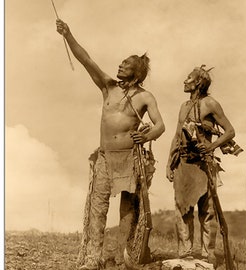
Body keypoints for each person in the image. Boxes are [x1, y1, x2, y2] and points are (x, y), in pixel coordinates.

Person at [56, 19, 165, 270]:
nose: (120, 65)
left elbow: (160, 125)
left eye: (126, 64)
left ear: (136, 72)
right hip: (105, 157)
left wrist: (146, 136)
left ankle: (122, 257)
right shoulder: (108, 87)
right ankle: (94, 258)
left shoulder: (145, 97)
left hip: (130, 159)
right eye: (121, 62)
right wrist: (68, 34)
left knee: (127, 209)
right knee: (98, 206)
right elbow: (87, 60)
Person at [166, 65, 236, 265]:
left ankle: (208, 254)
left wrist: (212, 146)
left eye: (188, 78)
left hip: (203, 165)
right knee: (182, 209)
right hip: (183, 163)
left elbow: (230, 131)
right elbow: (177, 135)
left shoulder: (211, 104)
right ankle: (185, 253)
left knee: (207, 211)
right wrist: (169, 163)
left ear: (198, 82)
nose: (184, 81)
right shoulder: (183, 106)